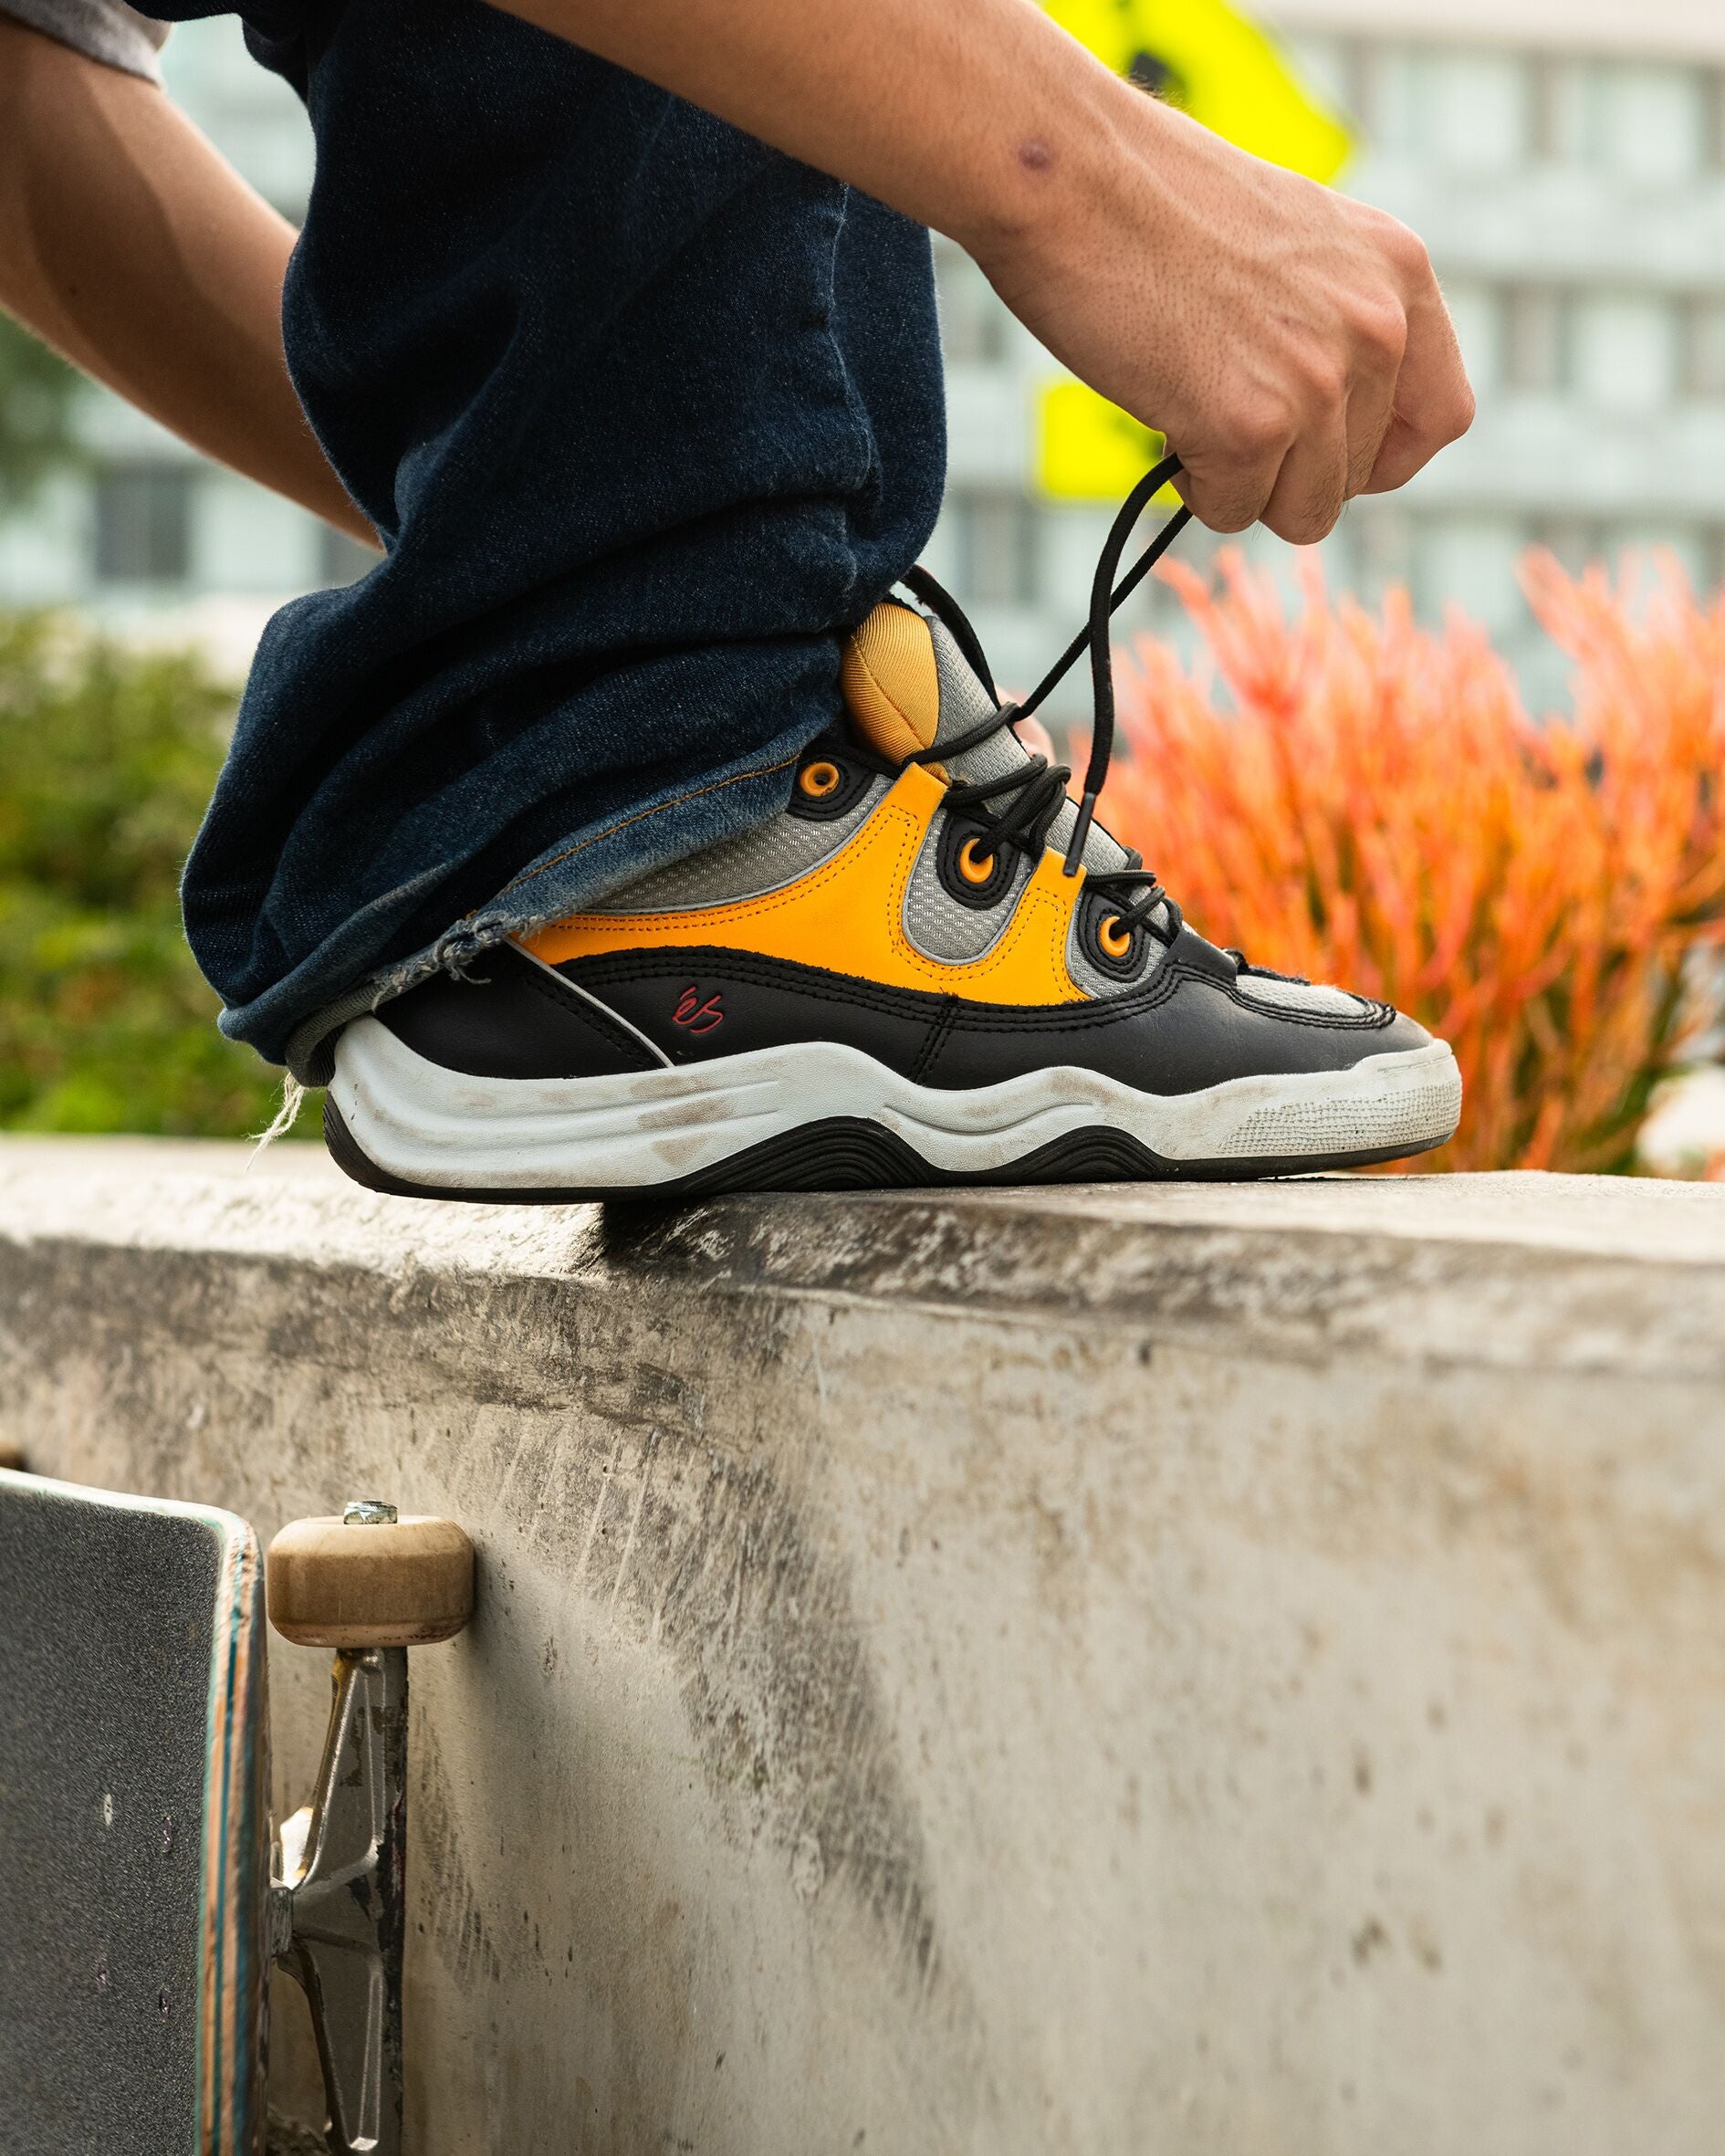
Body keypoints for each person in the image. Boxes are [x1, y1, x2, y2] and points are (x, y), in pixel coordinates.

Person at [0, 0, 1473, 1199]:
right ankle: (697, 835)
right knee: (656, 748)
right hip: (674, 790)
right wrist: (1087, 184)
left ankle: (632, 836)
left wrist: (553, 530)